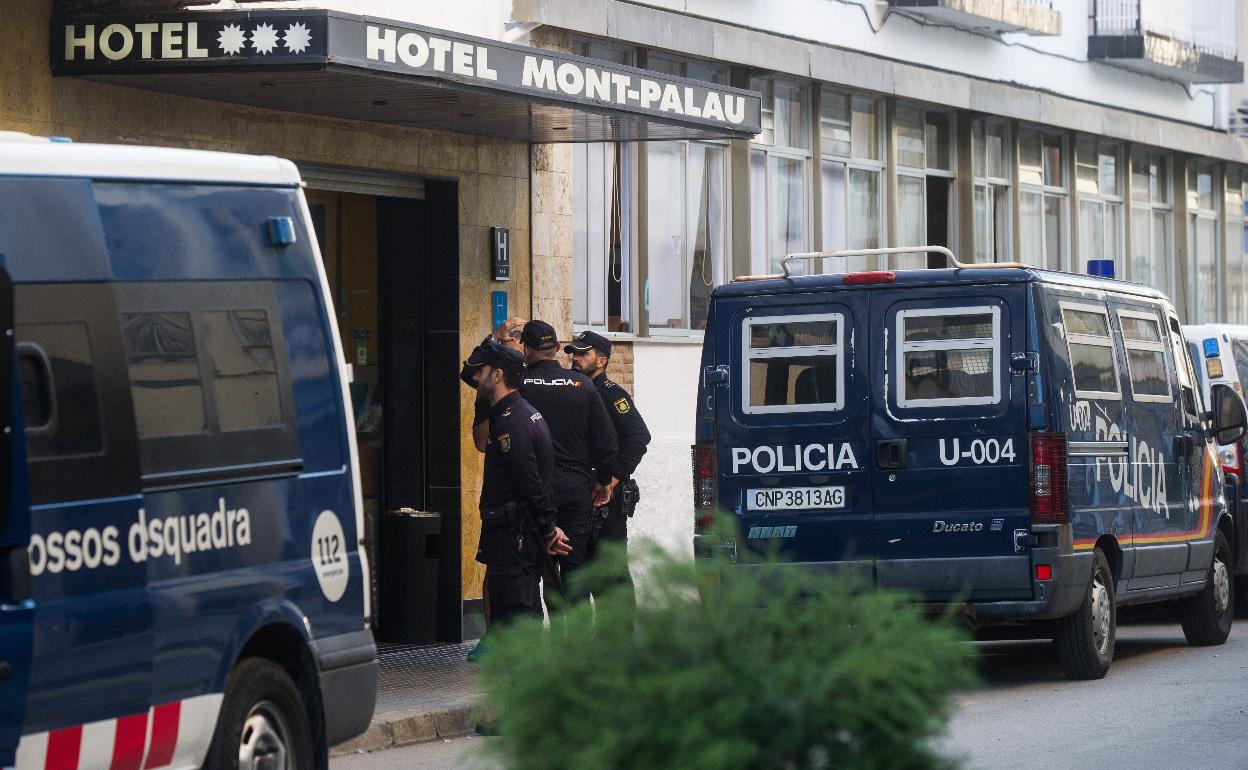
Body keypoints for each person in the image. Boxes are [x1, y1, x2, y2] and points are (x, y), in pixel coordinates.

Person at [465, 340, 571, 626]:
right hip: (515, 534)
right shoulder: (515, 413)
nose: (475, 377)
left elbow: (531, 482)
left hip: (515, 538)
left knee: (516, 618)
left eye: (482, 370)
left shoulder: (513, 422)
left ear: (497, 375)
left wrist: (548, 529)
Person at [518, 320, 617, 602]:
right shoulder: (582, 385)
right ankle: (576, 642)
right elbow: (607, 443)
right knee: (574, 569)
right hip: (575, 489)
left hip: (533, 489)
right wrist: (603, 482)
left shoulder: (520, 384)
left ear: (525, 349)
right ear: (558, 348)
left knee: (534, 568)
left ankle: (537, 639)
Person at [565, 330, 650, 613]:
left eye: (582, 353)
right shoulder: (575, 392)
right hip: (581, 496)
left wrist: (612, 480)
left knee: (610, 575)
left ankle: (618, 643)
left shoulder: (610, 393)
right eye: (573, 353)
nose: (575, 358)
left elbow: (639, 437)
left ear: (601, 360)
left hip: (607, 502)